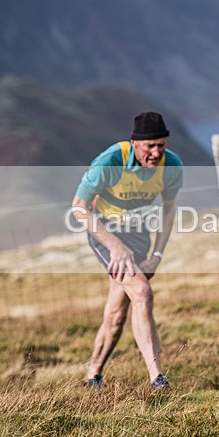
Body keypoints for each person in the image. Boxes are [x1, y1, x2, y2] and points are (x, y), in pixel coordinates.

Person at [72, 111, 183, 389]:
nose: (156, 152)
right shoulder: (110, 161)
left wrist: (157, 254)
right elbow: (78, 208)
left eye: (161, 145)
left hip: (140, 235)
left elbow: (169, 211)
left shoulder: (171, 166)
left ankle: (92, 376)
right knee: (142, 293)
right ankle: (157, 379)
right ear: (134, 143)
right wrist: (116, 247)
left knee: (117, 313)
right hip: (105, 233)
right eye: (149, 146)